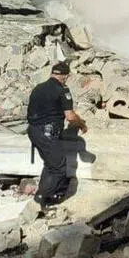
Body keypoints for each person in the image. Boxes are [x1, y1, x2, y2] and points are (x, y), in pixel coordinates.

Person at [26, 62, 87, 208]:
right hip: (47, 133)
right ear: (65, 76)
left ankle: (45, 195)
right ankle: (40, 200)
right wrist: (82, 124)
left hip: (33, 131)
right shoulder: (62, 90)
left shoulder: (38, 88)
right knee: (59, 167)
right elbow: (70, 116)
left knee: (50, 164)